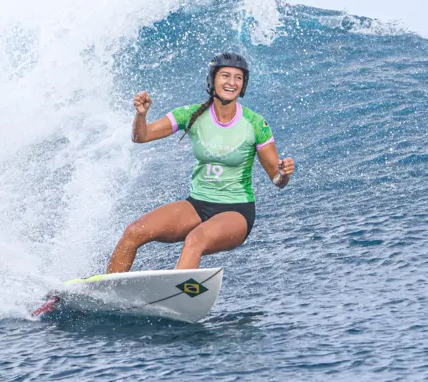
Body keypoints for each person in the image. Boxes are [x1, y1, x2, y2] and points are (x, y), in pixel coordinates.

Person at [106, 53, 295, 272]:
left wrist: (284, 173)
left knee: (196, 239)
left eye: (238, 78)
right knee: (134, 231)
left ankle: (177, 297)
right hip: (197, 205)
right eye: (225, 75)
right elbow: (141, 137)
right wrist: (141, 116)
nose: (232, 83)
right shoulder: (191, 114)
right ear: (212, 79)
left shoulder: (255, 124)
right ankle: (106, 291)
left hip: (237, 211)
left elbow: (277, 180)